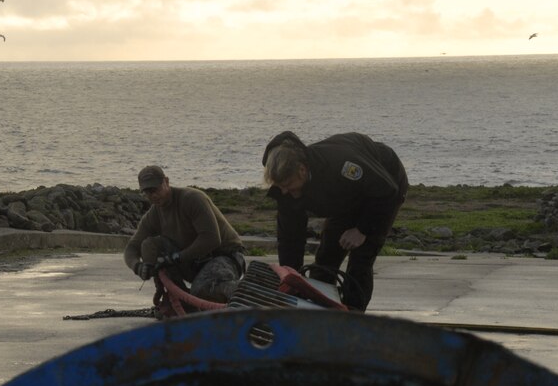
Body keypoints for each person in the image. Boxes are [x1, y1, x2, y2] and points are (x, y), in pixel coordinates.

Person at [262, 131, 408, 312]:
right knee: (325, 259)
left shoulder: (342, 163)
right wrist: (292, 277)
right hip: (345, 198)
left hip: (384, 188)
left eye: (288, 186)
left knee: (360, 261)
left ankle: (353, 319)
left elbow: (387, 191)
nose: (284, 192)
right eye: (281, 187)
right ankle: (318, 314)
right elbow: (290, 238)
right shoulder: (285, 188)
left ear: (302, 170)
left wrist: (362, 229)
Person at [124, 165, 246, 304]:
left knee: (202, 289)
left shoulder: (192, 199)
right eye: (148, 192)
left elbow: (211, 238)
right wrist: (137, 266)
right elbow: (132, 247)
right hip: (195, 262)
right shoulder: (154, 215)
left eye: (155, 190)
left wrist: (178, 257)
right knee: (149, 245)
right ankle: (181, 300)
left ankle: (245, 294)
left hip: (225, 257)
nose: (153, 196)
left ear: (166, 182)